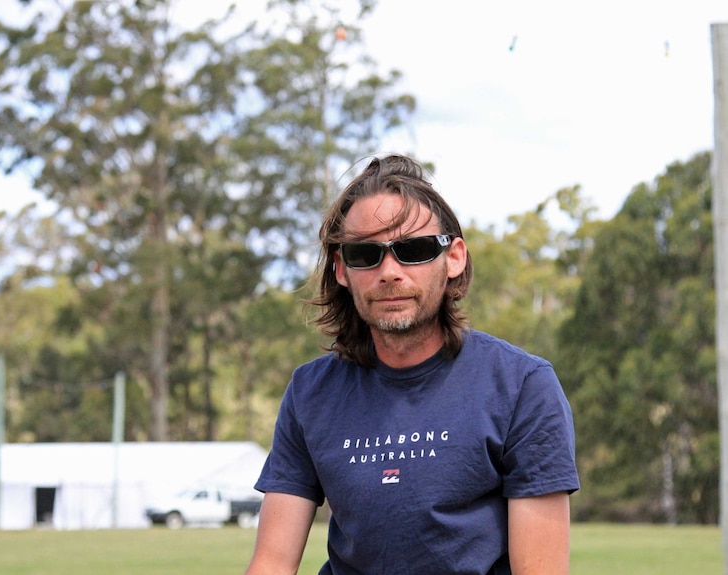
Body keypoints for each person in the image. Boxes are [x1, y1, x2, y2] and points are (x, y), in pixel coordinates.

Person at [243, 154, 580, 575]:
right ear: (342, 269)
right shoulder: (311, 391)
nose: (390, 272)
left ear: (453, 258)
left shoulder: (521, 385)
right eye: (366, 254)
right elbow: (272, 562)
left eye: (413, 250)